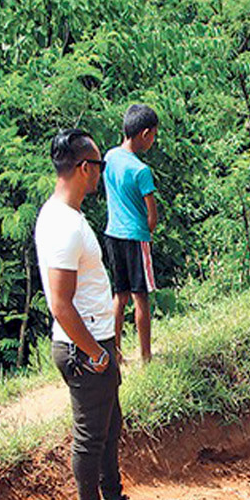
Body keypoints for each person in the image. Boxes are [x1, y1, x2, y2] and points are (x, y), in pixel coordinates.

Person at [35, 129, 157, 500]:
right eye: (99, 167)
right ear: (85, 168)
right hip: (84, 349)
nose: (101, 174)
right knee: (90, 436)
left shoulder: (65, 215)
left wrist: (107, 346)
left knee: (109, 427)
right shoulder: (64, 226)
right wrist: (94, 353)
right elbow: (61, 304)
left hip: (97, 343)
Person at [103, 104, 160, 364]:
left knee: (120, 295)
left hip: (112, 234)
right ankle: (146, 356)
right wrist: (148, 229)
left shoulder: (109, 157)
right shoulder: (141, 170)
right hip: (136, 237)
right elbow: (152, 216)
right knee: (141, 298)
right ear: (145, 134)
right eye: (154, 135)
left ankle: (115, 351)